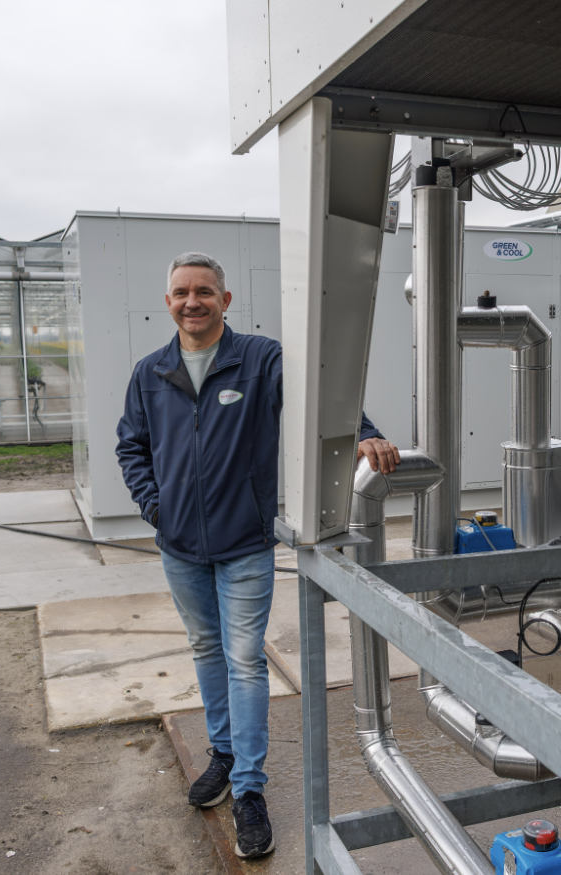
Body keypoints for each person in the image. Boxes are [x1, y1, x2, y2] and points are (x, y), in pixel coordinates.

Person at [115, 252, 398, 859]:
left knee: (244, 660)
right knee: (205, 649)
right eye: (181, 293)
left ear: (225, 299)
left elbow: (323, 399)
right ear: (167, 302)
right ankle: (223, 753)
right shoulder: (151, 372)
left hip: (244, 541)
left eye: (204, 291)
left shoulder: (260, 359)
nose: (192, 302)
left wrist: (366, 432)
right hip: (179, 546)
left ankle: (248, 788)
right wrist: (156, 508)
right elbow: (131, 447)